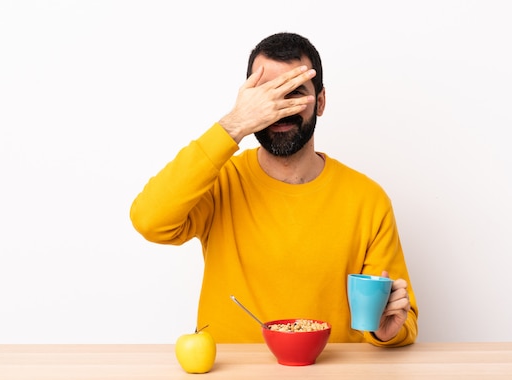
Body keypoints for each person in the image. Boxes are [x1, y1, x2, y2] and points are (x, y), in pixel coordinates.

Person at [130, 32, 418, 346]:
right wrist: (235, 124)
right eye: (267, 95)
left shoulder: (367, 199)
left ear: (320, 102)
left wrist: (384, 332)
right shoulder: (218, 182)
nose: (279, 108)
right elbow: (149, 220)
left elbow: (400, 319)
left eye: (295, 93)